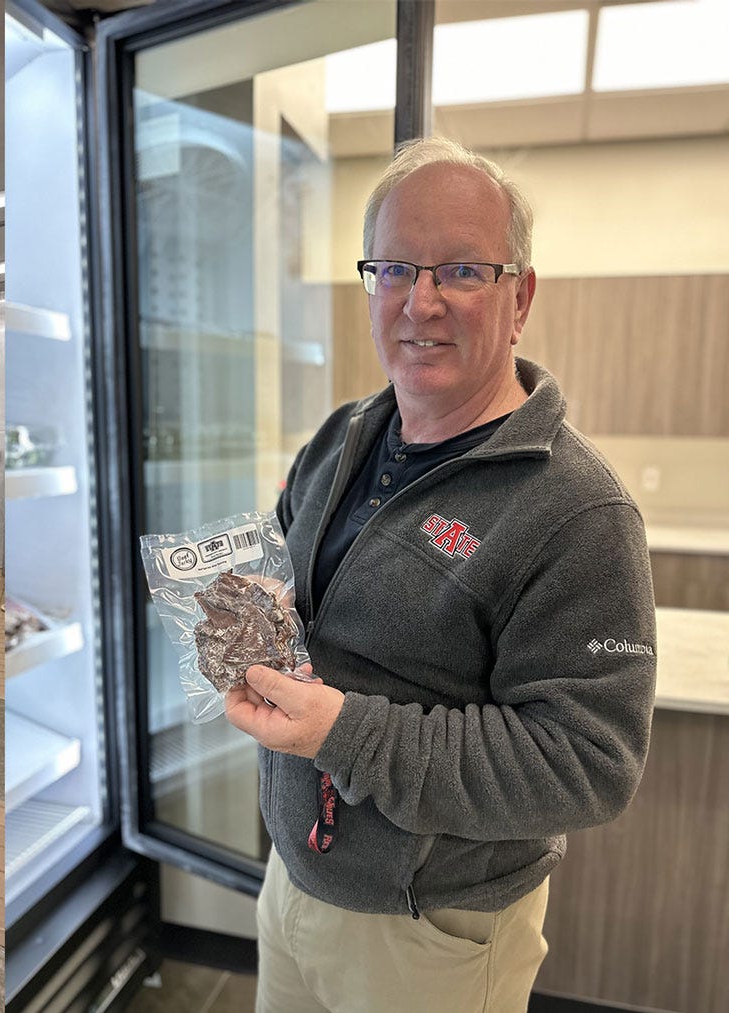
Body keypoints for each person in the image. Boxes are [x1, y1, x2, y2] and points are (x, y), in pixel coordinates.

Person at [222, 136, 657, 1012]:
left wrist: (341, 735)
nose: (419, 303)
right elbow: (280, 563)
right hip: (292, 880)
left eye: (461, 269)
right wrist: (244, 613)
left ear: (520, 295)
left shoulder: (578, 512)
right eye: (394, 269)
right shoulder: (343, 436)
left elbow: (587, 762)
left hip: (431, 933)